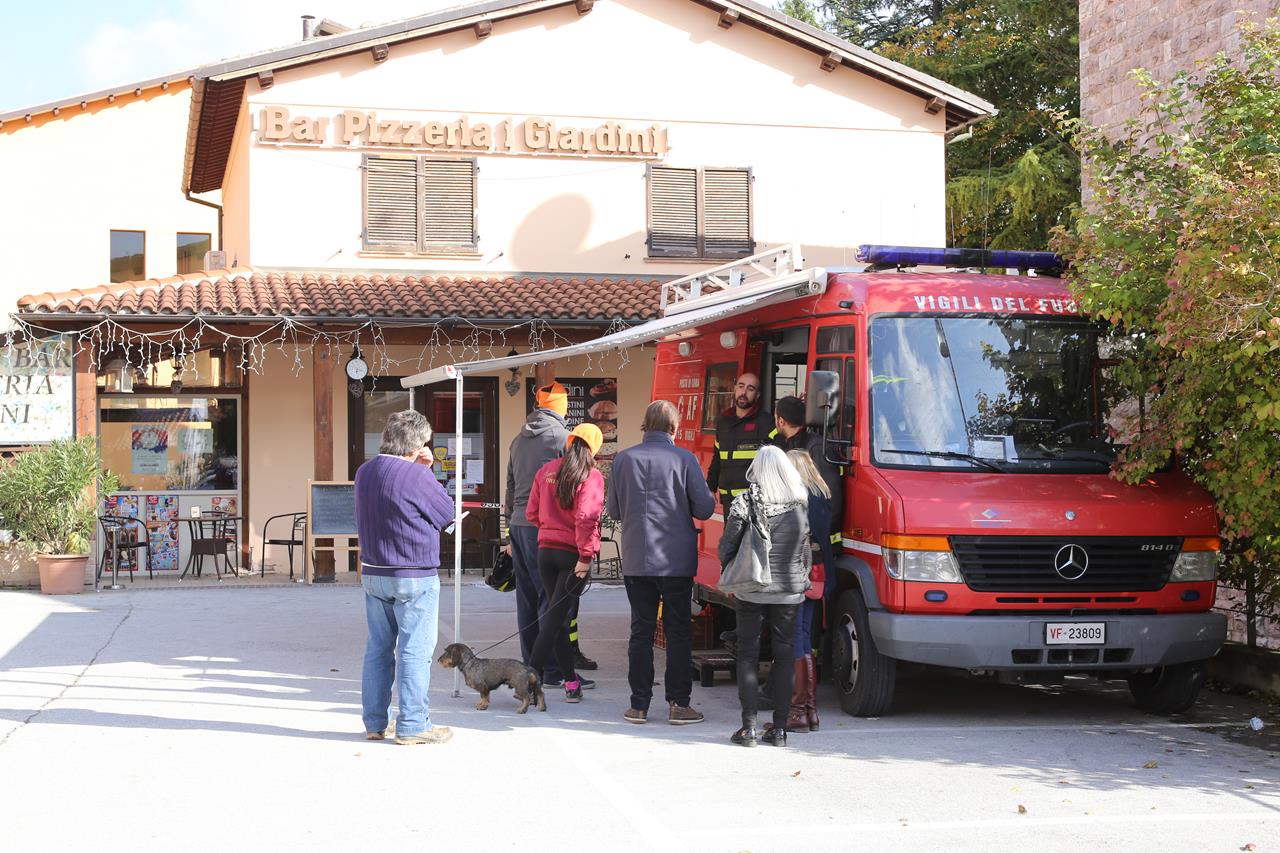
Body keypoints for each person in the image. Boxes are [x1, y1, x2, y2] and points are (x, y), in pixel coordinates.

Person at [607, 400, 716, 725]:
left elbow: (613, 512)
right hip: (676, 561)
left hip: (638, 559)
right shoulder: (685, 459)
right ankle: (678, 704)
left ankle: (638, 705)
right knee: (678, 632)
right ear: (674, 427)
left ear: (645, 425)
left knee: (640, 631)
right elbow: (705, 509)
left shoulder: (622, 459)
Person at [354, 410, 455, 745]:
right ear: (416, 446)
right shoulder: (416, 475)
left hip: (374, 571)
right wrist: (426, 471)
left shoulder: (365, 471)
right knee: (414, 649)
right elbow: (447, 514)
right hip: (413, 573)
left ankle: (374, 722)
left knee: (378, 648)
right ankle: (412, 724)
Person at [503, 381, 595, 686]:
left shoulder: (518, 439)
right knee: (553, 602)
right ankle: (552, 670)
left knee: (527, 599)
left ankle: (530, 662)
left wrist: (508, 533)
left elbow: (511, 487)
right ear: (561, 407)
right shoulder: (561, 439)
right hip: (546, 530)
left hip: (518, 524)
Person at [718, 444, 811, 747]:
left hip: (752, 589)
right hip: (788, 592)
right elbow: (804, 551)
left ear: (757, 469)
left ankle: (748, 728)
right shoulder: (799, 505)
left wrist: (730, 567)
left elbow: (726, 547)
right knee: (784, 657)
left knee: (747, 656)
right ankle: (781, 729)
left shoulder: (744, 502)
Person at [525, 423, 606, 703]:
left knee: (559, 620)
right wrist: (585, 556)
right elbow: (586, 517)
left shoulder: (546, 470)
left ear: (570, 442)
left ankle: (571, 683)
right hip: (572, 555)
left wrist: (549, 528)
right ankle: (528, 679)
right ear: (594, 448)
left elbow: (531, 512)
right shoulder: (591, 475)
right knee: (554, 620)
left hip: (545, 551)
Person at [784, 448, 834, 734]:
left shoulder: (798, 496)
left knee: (796, 637)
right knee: (804, 632)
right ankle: (810, 710)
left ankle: (799, 710)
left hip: (798, 572)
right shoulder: (823, 494)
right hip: (819, 573)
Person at [773, 395, 843, 547]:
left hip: (817, 544)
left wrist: (816, 537)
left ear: (780, 421)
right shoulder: (789, 446)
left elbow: (831, 495)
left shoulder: (815, 447)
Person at [706, 372, 776, 514]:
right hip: (728, 500)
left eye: (750, 389)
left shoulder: (767, 423)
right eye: (741, 386)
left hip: (755, 501)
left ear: (757, 395)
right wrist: (709, 487)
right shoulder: (723, 422)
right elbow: (717, 458)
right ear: (734, 389)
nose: (743, 392)